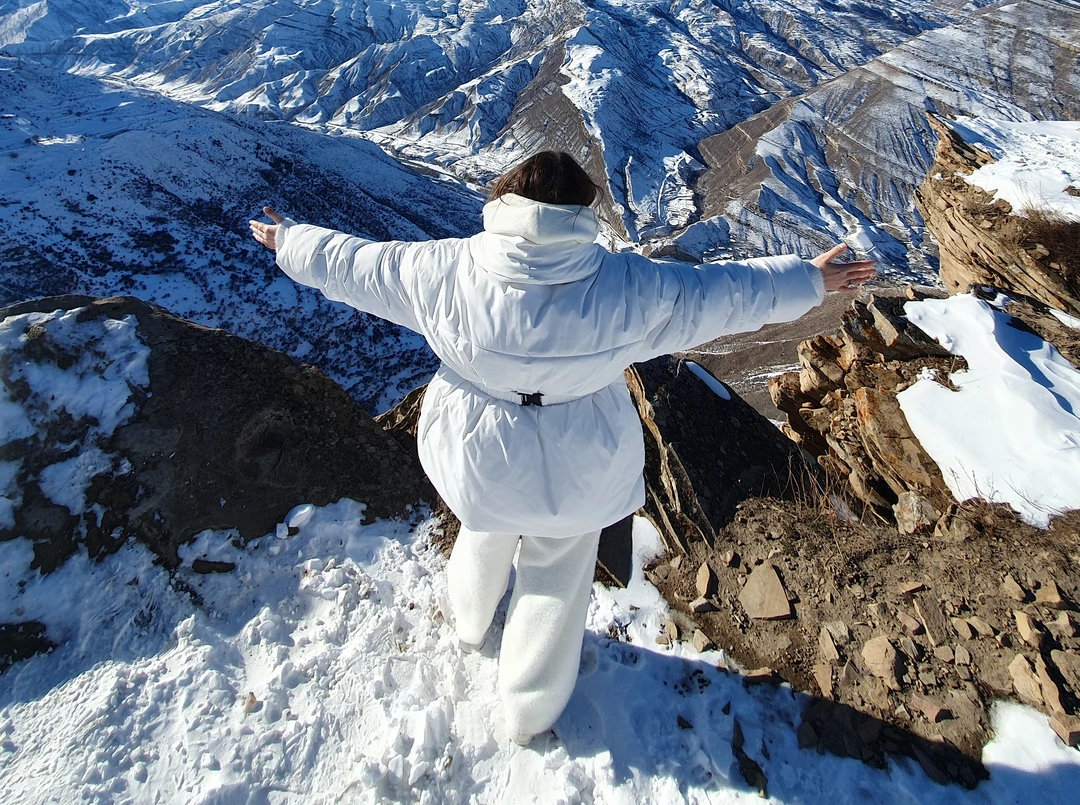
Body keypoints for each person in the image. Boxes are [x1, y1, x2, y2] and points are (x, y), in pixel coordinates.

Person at [249, 149, 874, 745]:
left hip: (480, 453)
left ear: (506, 199)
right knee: (557, 574)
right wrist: (808, 279)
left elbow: (359, 266)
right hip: (580, 462)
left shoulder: (446, 269)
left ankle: (468, 623)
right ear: (582, 211)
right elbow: (725, 295)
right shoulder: (628, 285)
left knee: (484, 525)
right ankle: (528, 709)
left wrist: (292, 242)